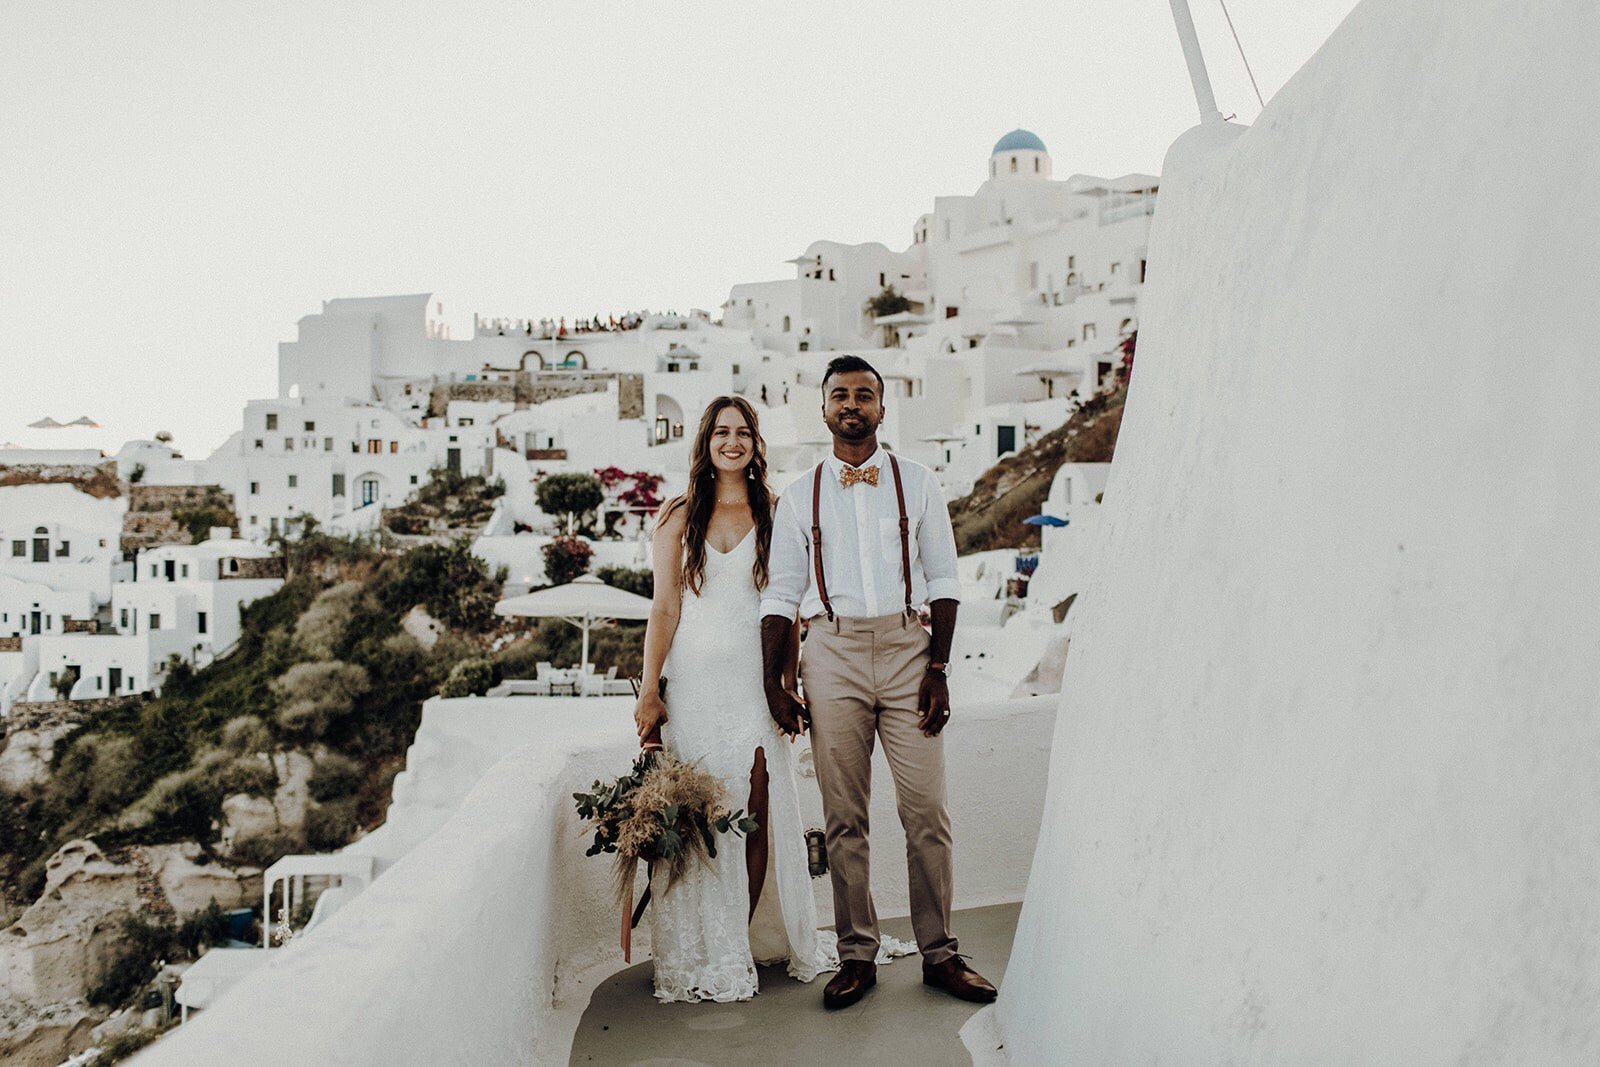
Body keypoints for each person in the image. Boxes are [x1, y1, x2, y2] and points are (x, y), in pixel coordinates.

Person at [759, 355, 998, 1010]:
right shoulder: (800, 491)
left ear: (883, 408)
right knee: (843, 817)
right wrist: (775, 683)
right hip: (829, 650)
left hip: (905, 648)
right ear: (825, 408)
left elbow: (944, 580)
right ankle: (857, 954)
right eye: (841, 394)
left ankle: (941, 953)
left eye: (865, 394)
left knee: (926, 810)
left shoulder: (916, 481)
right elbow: (780, 594)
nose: (853, 403)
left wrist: (940, 669)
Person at [633, 395, 835, 1002]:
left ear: (755, 443)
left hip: (756, 685)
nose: (732, 441)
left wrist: (787, 684)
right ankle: (704, 946)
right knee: (702, 814)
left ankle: (740, 941)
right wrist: (650, 690)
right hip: (694, 686)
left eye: (743, 432)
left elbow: (792, 611)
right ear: (706, 441)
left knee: (756, 808)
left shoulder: (777, 514)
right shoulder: (676, 517)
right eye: (721, 431)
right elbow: (664, 609)